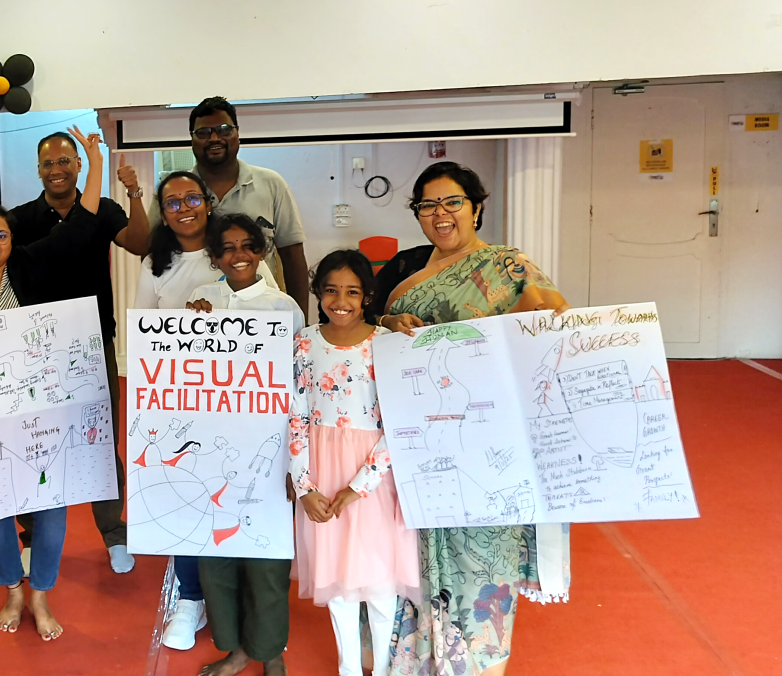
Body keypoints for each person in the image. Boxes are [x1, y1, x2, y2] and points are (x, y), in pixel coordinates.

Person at [376, 162, 571, 676]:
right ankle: (423, 662)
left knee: (486, 563)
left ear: (476, 208)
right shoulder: (404, 275)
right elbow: (375, 339)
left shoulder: (509, 267)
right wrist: (390, 323)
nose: (440, 214)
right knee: (416, 562)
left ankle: (481, 665)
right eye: (427, 205)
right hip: (424, 450)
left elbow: (555, 331)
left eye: (452, 202)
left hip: (492, 447)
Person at [0, 126, 108, 641]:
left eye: (1, 235)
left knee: (52, 503)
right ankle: (12, 587)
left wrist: (95, 162)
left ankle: (41, 593)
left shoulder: (33, 266)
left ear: (13, 240)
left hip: (43, 407)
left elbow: (81, 224)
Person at [135, 171, 276, 651]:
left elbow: (268, 322)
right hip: (182, 402)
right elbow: (143, 335)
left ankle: (238, 599)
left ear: (208, 202)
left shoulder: (240, 253)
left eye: (192, 198)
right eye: (172, 202)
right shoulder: (155, 263)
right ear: (162, 211)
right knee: (186, 495)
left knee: (237, 494)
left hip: (244, 403)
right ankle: (190, 598)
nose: (184, 208)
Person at [9, 129, 148, 574]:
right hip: (36, 347)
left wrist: (135, 194)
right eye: (48, 163)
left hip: (92, 341)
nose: (57, 170)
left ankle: (114, 533)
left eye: (65, 161)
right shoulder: (21, 219)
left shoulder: (103, 210)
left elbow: (141, 244)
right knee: (36, 443)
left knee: (100, 439)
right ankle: (32, 536)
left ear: (78, 166)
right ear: (38, 170)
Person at [184, 214, 304, 676]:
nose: (238, 256)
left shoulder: (283, 307)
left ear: (262, 252)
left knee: (267, 556)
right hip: (211, 448)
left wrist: (296, 459)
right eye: (227, 248)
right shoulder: (200, 302)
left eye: (248, 246)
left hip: (268, 449)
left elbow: (297, 383)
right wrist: (189, 328)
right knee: (216, 555)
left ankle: (270, 650)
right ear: (213, 257)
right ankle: (234, 648)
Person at [290, 250, 419, 676]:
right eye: (331, 290)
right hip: (321, 467)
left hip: (375, 476)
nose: (340, 301)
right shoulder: (305, 342)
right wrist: (304, 486)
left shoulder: (385, 343)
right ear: (318, 293)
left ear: (367, 296)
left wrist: (359, 485)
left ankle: (381, 668)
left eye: (352, 291)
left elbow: (398, 421)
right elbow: (295, 414)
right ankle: (348, 666)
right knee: (337, 583)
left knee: (379, 582)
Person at [151, 97, 310, 314]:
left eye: (224, 129)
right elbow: (151, 250)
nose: (214, 138)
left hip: (262, 318)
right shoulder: (173, 192)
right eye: (203, 132)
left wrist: (300, 322)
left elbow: (292, 257)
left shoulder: (271, 184)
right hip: (193, 314)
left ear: (237, 133)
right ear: (192, 139)